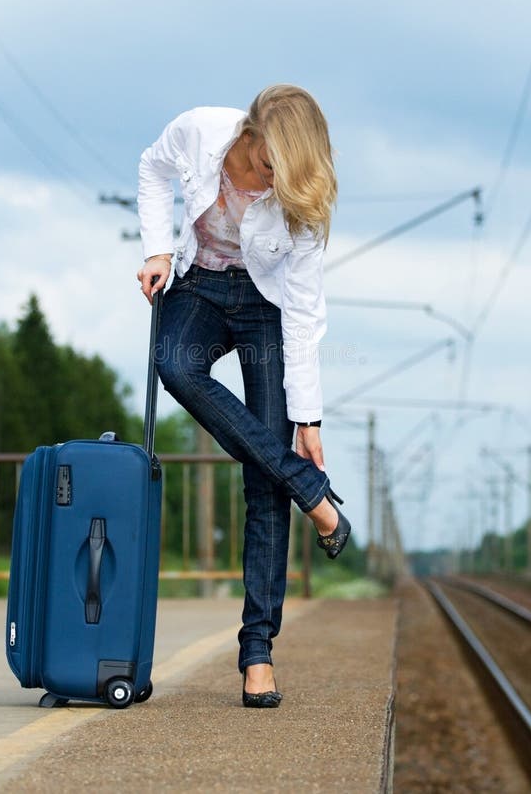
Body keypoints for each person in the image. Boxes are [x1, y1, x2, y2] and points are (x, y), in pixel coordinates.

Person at [137, 84, 351, 708]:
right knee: (173, 364)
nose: (268, 187)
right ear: (250, 135)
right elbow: (151, 166)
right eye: (264, 170)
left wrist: (307, 417)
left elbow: (306, 312)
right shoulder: (201, 130)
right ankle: (310, 491)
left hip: (266, 309)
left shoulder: (301, 202)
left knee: (263, 487)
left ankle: (257, 652)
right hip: (199, 285)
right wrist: (155, 246)